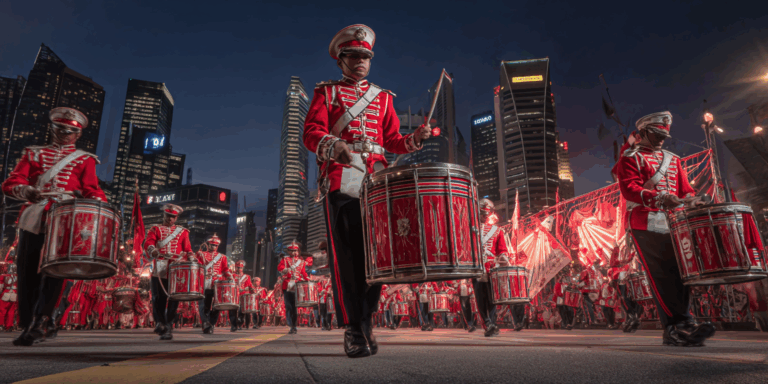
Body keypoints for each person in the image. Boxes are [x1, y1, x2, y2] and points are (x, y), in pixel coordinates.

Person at [302, 24, 431, 358]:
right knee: (346, 258)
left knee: (377, 258)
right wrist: (332, 145)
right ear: (341, 60)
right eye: (354, 55)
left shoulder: (383, 96)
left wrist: (414, 140)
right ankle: (353, 329)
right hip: (341, 179)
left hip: (376, 181)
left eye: (366, 57)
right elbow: (311, 132)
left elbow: (391, 140)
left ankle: (366, 320)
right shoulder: (326, 93)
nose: (361, 61)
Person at [2, 107, 107, 346]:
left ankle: (42, 319)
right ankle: (29, 321)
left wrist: (101, 207)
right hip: (34, 215)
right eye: (61, 129)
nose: (65, 134)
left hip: (65, 217)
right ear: (52, 128)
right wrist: (25, 189)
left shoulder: (84, 159)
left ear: (78, 135)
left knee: (55, 269)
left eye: (71, 131)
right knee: (26, 269)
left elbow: (92, 189)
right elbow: (12, 182)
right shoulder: (33, 154)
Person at [615, 111, 715, 346]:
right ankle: (673, 327)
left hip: (674, 222)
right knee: (662, 275)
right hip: (645, 221)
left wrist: (693, 200)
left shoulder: (673, 158)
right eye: (657, 134)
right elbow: (629, 189)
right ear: (643, 133)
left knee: (681, 273)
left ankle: (685, 322)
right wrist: (659, 198)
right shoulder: (631, 157)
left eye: (664, 134)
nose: (662, 139)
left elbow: (685, 190)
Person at [144, 204, 194, 340]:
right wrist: (152, 250)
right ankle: (160, 322)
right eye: (168, 216)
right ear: (164, 215)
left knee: (174, 298)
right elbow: (149, 243)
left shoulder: (183, 232)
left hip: (176, 268)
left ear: (176, 217)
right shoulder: (155, 229)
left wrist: (191, 258)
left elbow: (188, 249)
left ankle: (168, 325)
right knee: (157, 298)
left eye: (173, 217)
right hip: (159, 266)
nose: (170, 219)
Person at [474, 199, 508, 337]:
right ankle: (487, 324)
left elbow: (502, 250)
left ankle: (492, 323)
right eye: (481, 213)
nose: (484, 216)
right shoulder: (471, 229)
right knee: (480, 300)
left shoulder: (497, 230)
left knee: (492, 299)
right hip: (476, 268)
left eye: (485, 213)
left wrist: (504, 257)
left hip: (492, 269)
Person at [197, 234, 234, 334]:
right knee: (204, 304)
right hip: (204, 281)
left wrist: (230, 276)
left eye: (215, 245)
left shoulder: (222, 257)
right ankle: (205, 323)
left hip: (217, 283)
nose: (213, 246)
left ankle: (212, 323)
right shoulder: (201, 254)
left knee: (217, 305)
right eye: (211, 244)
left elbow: (225, 269)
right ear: (207, 244)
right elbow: (197, 266)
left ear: (218, 246)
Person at [277, 240, 310, 334]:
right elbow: (280, 268)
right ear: (288, 251)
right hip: (287, 285)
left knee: (294, 307)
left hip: (297, 285)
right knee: (288, 306)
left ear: (298, 251)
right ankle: (290, 324)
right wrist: (286, 270)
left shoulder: (301, 262)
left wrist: (307, 279)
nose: (293, 252)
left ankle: (294, 326)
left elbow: (304, 273)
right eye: (291, 250)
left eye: (295, 250)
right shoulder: (285, 259)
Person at [0, 263, 18, 332]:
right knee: (11, 311)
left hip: (5, 293)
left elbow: (0, 287)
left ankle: (1, 324)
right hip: (14, 293)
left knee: (2, 310)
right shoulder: (17, 276)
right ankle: (9, 326)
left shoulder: (3, 276)